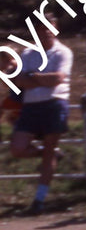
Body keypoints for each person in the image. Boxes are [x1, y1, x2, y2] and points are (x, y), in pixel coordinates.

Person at [7, 24, 71, 216]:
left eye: (48, 29)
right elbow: (19, 81)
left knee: (49, 150)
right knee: (17, 148)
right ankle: (48, 153)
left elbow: (58, 79)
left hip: (54, 104)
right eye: (41, 29)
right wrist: (43, 79)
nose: (45, 33)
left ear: (55, 30)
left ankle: (39, 199)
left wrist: (33, 76)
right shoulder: (27, 53)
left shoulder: (63, 52)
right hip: (31, 106)